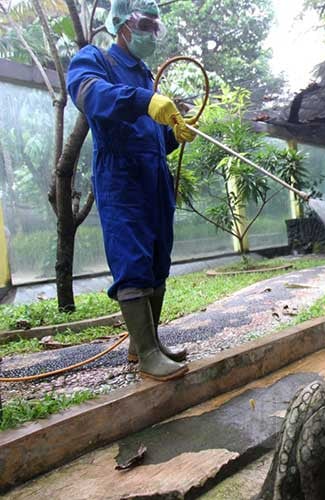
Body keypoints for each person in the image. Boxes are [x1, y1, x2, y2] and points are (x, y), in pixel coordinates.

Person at [66, 0, 195, 381]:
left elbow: (151, 137)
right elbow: (92, 97)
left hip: (154, 177)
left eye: (156, 27)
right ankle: (149, 352)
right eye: (145, 24)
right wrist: (145, 100)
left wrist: (173, 134)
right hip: (121, 177)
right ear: (121, 23)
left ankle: (145, 345)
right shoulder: (94, 61)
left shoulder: (144, 73)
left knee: (157, 260)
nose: (151, 34)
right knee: (133, 260)